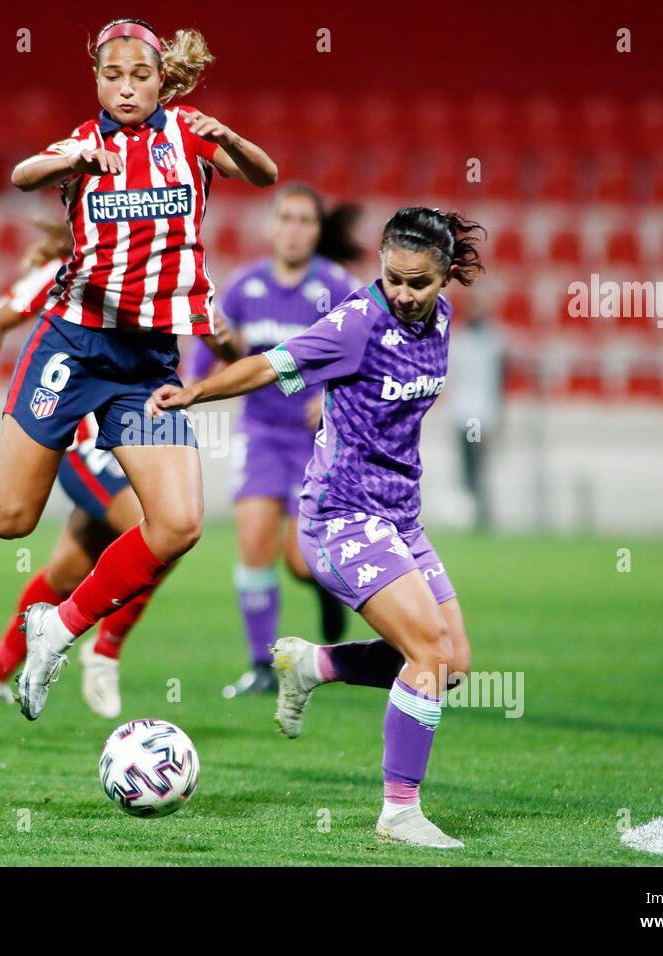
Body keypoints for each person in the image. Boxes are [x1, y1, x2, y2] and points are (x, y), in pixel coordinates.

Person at [0, 17, 277, 721]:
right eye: (112, 75)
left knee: (179, 525)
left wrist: (232, 140)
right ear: (97, 78)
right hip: (73, 347)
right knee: (9, 517)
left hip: (147, 362)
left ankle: (59, 628)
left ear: (162, 80)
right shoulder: (84, 142)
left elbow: (266, 176)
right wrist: (71, 165)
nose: (126, 88)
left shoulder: (188, 135)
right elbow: (22, 174)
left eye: (140, 76)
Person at [149, 207, 483, 849]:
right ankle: (400, 812)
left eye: (420, 283)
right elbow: (272, 364)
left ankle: (311, 664)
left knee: (453, 664)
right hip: (343, 515)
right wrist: (197, 393)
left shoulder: (440, 320)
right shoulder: (358, 322)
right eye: (394, 279)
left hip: (401, 516)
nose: (405, 295)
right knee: (430, 656)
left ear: (445, 279)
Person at [0, 222, 174, 737]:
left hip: (123, 441)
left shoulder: (152, 277)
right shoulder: (67, 274)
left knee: (63, 576)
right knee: (161, 530)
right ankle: (105, 651)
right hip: (80, 441)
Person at [186, 184, 361, 698]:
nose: (294, 229)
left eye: (306, 220)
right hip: (261, 434)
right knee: (254, 544)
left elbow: (362, 356)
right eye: (285, 218)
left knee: (302, 560)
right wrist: (200, 374)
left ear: (317, 230)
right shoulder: (244, 288)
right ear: (270, 226)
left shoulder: (338, 287)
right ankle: (262, 667)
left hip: (316, 443)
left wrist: (331, 397)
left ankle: (327, 593)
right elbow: (214, 356)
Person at [443, 299, 505, 531]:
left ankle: (481, 512)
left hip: (480, 415)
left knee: (478, 466)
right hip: (462, 413)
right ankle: (468, 512)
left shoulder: (493, 342)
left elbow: (496, 383)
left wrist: (496, 418)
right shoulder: (460, 341)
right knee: (464, 466)